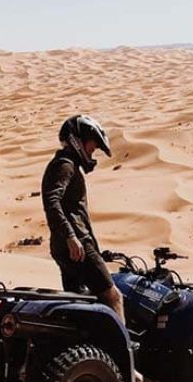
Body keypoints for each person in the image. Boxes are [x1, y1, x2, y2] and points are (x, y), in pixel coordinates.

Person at [41, 115, 125, 325]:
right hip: (77, 245)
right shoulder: (65, 165)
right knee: (113, 296)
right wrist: (71, 236)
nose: (91, 152)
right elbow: (52, 201)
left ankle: (88, 352)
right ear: (78, 140)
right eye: (91, 146)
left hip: (65, 245)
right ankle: (123, 355)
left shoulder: (65, 165)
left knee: (80, 302)